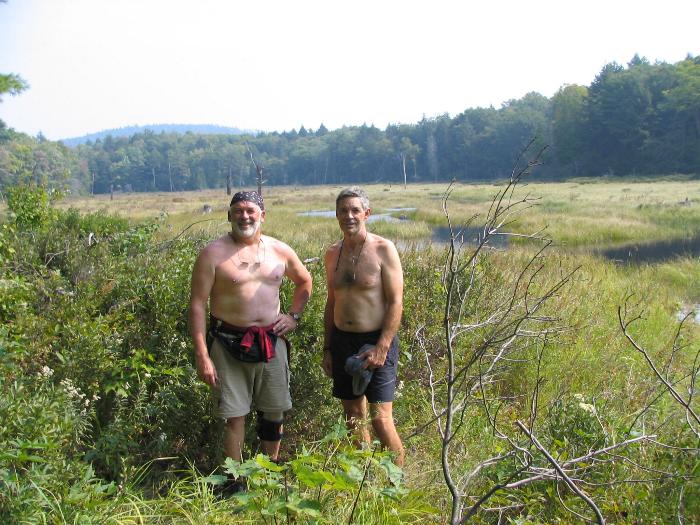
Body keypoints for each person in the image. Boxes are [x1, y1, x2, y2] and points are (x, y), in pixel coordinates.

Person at [189, 190, 312, 488]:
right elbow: (196, 304)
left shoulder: (280, 250)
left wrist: (293, 317)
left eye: (251, 211)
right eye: (238, 211)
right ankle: (234, 481)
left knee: (274, 411)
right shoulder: (213, 254)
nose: (244, 216)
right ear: (229, 215)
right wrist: (202, 355)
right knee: (235, 416)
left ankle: (269, 473)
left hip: (272, 341)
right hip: (228, 344)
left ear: (262, 216)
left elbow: (305, 281)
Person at [322, 186, 405, 465]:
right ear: (336, 215)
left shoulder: (384, 249)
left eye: (355, 210)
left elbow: (396, 302)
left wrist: (382, 346)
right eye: (343, 211)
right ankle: (363, 480)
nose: (349, 216)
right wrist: (328, 348)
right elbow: (331, 303)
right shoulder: (332, 253)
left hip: (376, 341)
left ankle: (397, 487)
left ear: (366, 213)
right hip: (343, 341)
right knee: (353, 418)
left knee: (381, 419)